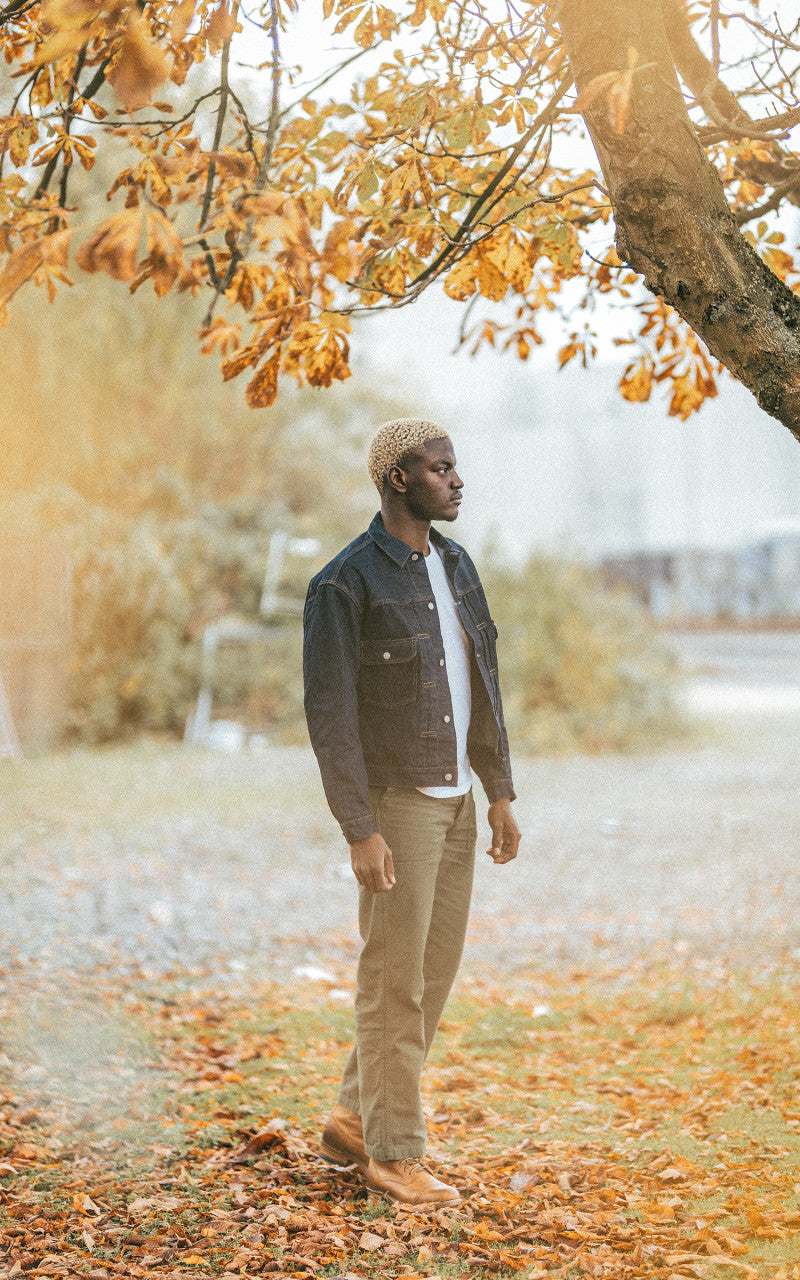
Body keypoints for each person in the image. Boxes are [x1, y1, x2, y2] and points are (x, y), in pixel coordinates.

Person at [302, 417, 521, 1207]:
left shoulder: (457, 565)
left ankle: (357, 1118)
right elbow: (331, 718)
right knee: (393, 982)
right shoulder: (344, 583)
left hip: (459, 797)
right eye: (440, 468)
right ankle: (394, 1156)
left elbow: (483, 686)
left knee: (430, 976)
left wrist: (498, 791)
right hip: (397, 806)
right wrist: (359, 828)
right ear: (399, 479)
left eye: (454, 467)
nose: (456, 481)